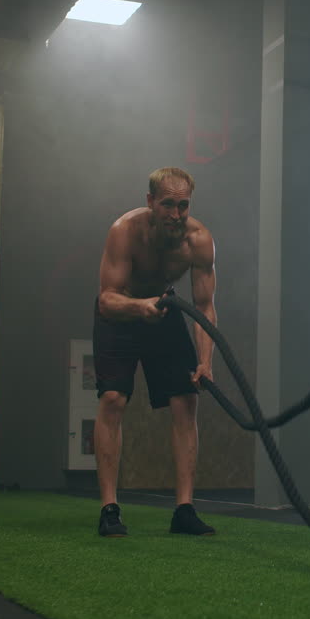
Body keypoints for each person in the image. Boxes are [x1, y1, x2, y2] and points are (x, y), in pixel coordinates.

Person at [92, 166, 217, 537]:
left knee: (186, 399)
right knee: (113, 398)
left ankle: (184, 510)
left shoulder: (199, 241)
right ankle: (109, 509)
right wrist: (139, 306)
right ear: (150, 202)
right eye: (167, 205)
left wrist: (205, 361)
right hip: (122, 310)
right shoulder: (125, 232)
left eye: (183, 205)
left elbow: (205, 305)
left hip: (162, 310)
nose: (176, 214)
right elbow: (106, 299)